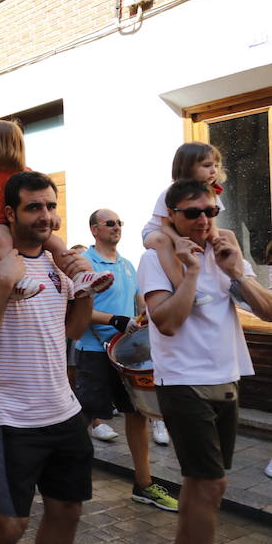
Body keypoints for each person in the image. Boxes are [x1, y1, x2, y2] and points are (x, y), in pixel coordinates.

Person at [0, 171, 95, 544]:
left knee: (67, 511)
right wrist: (4, 282)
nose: (45, 215)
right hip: (8, 418)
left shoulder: (57, 263)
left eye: (50, 206)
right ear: (10, 213)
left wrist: (85, 289)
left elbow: (73, 331)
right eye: (33, 207)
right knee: (9, 525)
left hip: (63, 412)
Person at [138, 179, 272, 544]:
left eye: (210, 211)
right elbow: (166, 323)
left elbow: (267, 311)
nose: (203, 220)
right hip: (183, 382)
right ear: (173, 216)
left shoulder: (226, 253)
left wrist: (234, 273)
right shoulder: (154, 259)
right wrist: (192, 272)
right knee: (208, 483)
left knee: (209, 484)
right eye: (193, 213)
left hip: (227, 378)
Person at [76, 209, 178, 511]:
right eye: (110, 223)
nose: (117, 227)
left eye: (120, 223)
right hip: (94, 350)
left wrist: (145, 316)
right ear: (94, 230)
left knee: (137, 414)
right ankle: (66, 480)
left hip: (126, 354)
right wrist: (116, 320)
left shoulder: (128, 265)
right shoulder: (85, 264)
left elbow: (139, 303)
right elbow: (76, 311)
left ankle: (143, 485)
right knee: (84, 416)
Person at [0, 119, 112, 299]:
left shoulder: (26, 174)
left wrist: (53, 216)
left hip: (18, 225)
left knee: (56, 243)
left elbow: (42, 200)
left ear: (3, 150)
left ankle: (79, 276)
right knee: (3, 239)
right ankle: (16, 281)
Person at [141, 142, 231, 307]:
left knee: (227, 236)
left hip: (180, 232)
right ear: (187, 167)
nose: (213, 170)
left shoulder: (211, 194)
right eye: (207, 165)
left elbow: (212, 225)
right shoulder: (171, 193)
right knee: (164, 242)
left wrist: (217, 242)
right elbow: (165, 226)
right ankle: (183, 287)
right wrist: (178, 240)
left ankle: (233, 279)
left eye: (216, 166)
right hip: (157, 232)